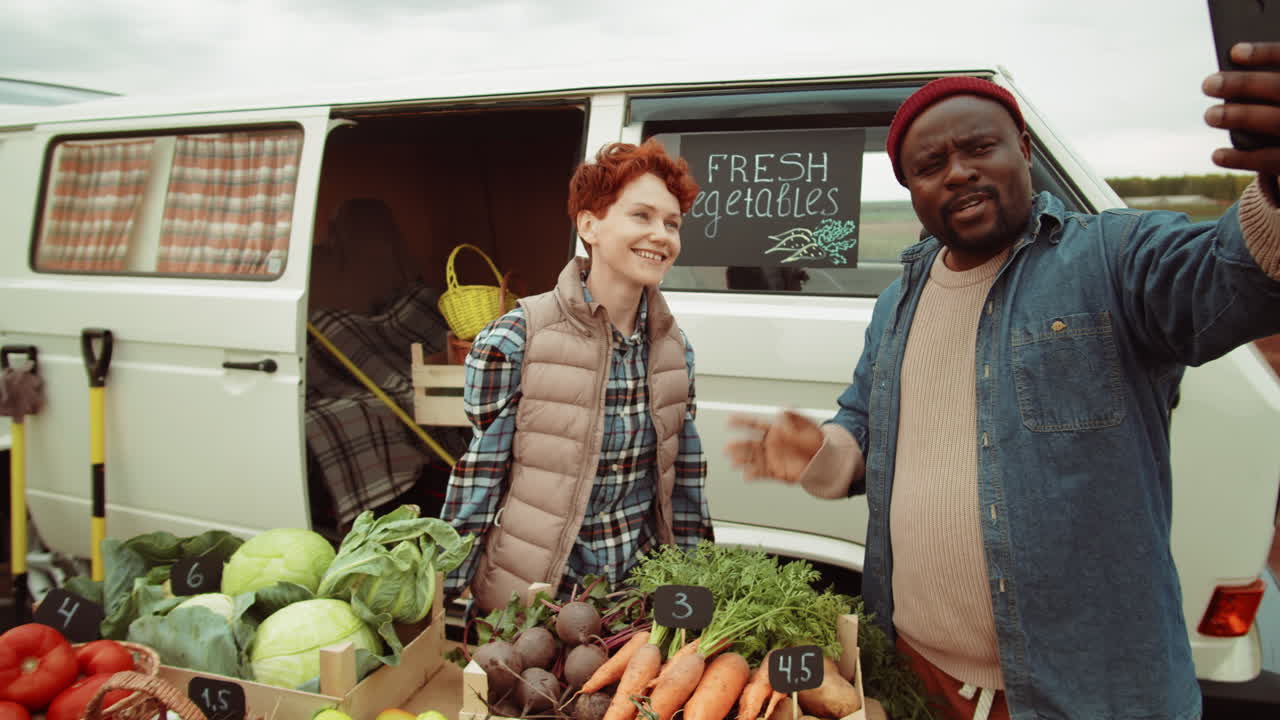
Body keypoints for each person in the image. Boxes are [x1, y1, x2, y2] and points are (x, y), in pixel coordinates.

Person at [728, 44, 1280, 720]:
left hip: (1083, 694)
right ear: (911, 189)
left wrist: (1276, 194)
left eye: (979, 148)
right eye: (930, 166)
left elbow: (1229, 277)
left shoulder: (1109, 259)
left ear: (1022, 147)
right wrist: (823, 452)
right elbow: (865, 426)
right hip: (916, 674)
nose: (958, 173)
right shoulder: (898, 301)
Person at [442, 139, 714, 612]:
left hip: (637, 602)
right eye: (642, 216)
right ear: (590, 224)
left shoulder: (675, 350)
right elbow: (480, 480)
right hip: (536, 602)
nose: (662, 235)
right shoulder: (516, 338)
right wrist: (440, 594)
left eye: (672, 224)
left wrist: (694, 587)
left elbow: (683, 482)